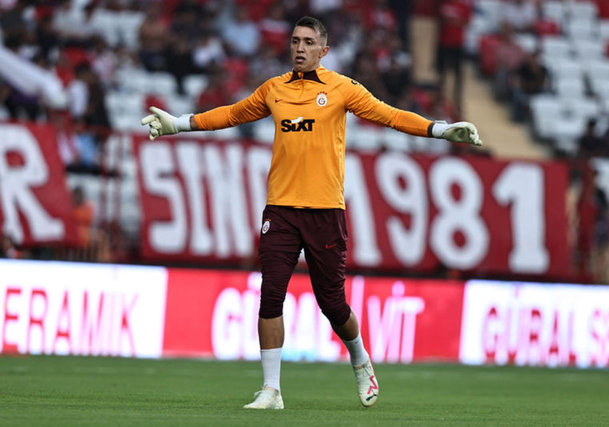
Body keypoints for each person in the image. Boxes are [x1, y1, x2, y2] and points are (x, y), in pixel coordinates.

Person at [141, 16, 482, 410]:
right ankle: (271, 391)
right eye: (294, 41)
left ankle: (360, 359)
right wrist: (177, 124)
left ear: (324, 50)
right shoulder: (274, 89)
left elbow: (389, 115)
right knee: (271, 295)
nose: (299, 48)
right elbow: (231, 114)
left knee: (332, 304)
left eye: (307, 42)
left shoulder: (342, 88)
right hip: (281, 210)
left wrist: (440, 130)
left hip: (325, 211)